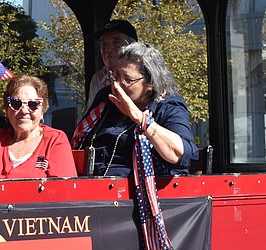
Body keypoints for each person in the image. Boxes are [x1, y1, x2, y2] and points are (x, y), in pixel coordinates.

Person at [72, 42, 197, 177]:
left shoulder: (168, 106)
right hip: (91, 184)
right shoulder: (106, 96)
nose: (117, 84)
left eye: (127, 79)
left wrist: (139, 117)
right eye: (115, 75)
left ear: (150, 84)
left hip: (140, 191)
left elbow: (178, 154)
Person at [0, 74, 76, 179]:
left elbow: (64, 193)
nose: (24, 110)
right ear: (6, 108)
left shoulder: (55, 140)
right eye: (16, 103)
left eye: (33, 104)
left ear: (43, 109)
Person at [87, 20, 138, 106]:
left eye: (116, 42)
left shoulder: (146, 77)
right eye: (103, 44)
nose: (108, 48)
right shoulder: (98, 79)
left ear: (132, 46)